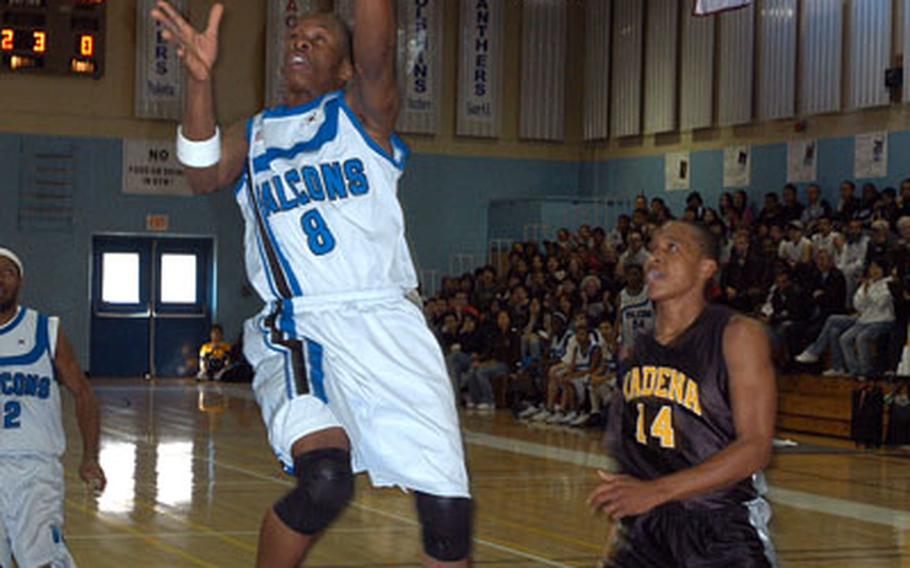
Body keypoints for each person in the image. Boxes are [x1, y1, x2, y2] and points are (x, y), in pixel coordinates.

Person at [152, 2, 472, 566]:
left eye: (319, 39)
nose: (299, 42)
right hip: (303, 324)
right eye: (295, 36)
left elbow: (378, 51)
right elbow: (201, 173)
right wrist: (199, 82)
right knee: (325, 481)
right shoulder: (254, 134)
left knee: (448, 522)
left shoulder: (365, 114)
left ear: (345, 68)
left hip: (389, 321)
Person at [589, 222, 777, 567]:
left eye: (672, 247)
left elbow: (756, 448)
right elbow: (633, 469)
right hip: (645, 531)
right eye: (654, 248)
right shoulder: (635, 353)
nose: (655, 256)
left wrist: (655, 492)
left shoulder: (737, 335)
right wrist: (617, 538)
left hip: (718, 530)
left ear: (706, 268)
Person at [0, 248, 107, 568]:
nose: (0, 278)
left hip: (33, 468)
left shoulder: (44, 329)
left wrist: (90, 457)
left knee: (40, 560)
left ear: (21, 282)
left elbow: (84, 394)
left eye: (8, 272)